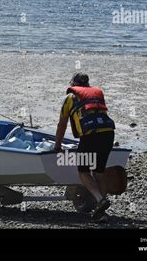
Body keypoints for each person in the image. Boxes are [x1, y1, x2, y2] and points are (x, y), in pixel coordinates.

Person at [55, 72, 116, 221]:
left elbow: (62, 124)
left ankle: (99, 200)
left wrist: (57, 146)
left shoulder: (70, 97)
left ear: (73, 84)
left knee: (83, 171)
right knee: (99, 172)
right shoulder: (97, 94)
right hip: (108, 134)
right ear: (87, 84)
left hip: (90, 136)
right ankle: (101, 212)